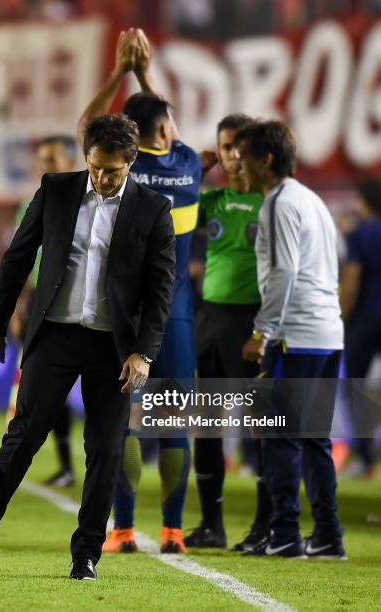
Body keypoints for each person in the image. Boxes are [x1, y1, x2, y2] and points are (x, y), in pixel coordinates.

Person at [0, 113, 176, 581]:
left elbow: (161, 286)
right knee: (22, 438)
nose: (101, 178)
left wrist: (144, 352)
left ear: (131, 162)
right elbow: (17, 257)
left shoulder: (154, 209)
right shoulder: (57, 189)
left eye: (112, 170)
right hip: (56, 336)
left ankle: (86, 554)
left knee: (106, 449)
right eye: (94, 167)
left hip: (115, 348)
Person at [77, 29, 201, 553]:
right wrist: (146, 74)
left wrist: (120, 70)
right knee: (177, 425)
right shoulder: (187, 163)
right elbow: (164, 124)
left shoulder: (130, 169)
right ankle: (173, 531)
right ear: (167, 128)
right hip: (176, 316)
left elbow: (89, 128)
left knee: (124, 422)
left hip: (126, 317)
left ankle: (123, 530)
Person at [238, 120, 346, 559]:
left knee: (279, 436)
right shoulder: (313, 201)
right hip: (327, 333)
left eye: (244, 157)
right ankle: (328, 536)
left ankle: (284, 533)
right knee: (315, 438)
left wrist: (262, 331)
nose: (239, 166)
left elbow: (284, 271)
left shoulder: (278, 204)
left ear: (265, 160)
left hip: (294, 336)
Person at [184, 114, 270, 551]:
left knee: (261, 425)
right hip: (211, 319)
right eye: (224, 147)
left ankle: (266, 525)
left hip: (254, 321)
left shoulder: (271, 202)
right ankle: (212, 525)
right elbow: (171, 214)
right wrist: (194, 172)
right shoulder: (212, 200)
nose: (232, 156)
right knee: (207, 425)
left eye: (238, 146)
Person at [7, 135, 78, 488]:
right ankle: (65, 465)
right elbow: (23, 261)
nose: (44, 167)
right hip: (40, 303)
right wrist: (20, 307)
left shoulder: (90, 201)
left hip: (81, 303)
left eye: (52, 160)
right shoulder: (32, 203)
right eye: (41, 160)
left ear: (71, 162)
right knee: (47, 389)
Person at [340, 178, 381, 477]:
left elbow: (352, 279)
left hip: (365, 320)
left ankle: (364, 457)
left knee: (355, 387)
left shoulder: (359, 234)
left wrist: (341, 316)